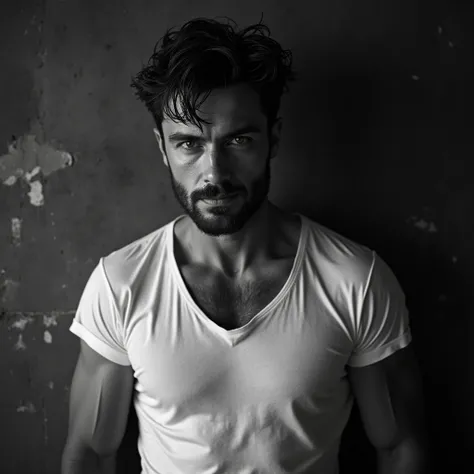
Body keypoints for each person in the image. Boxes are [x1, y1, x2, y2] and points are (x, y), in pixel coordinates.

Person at [61, 16, 429, 474]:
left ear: (272, 138)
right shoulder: (121, 285)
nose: (213, 172)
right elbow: (91, 455)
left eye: (238, 140)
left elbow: (399, 449)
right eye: (189, 144)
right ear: (162, 148)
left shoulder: (354, 280)